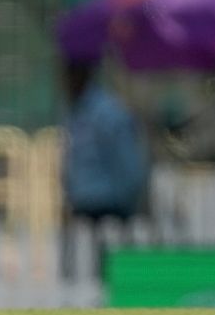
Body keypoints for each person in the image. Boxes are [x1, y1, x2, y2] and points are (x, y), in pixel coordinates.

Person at [60, 58, 149, 221]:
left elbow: (130, 167)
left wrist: (126, 205)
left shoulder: (109, 113)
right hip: (83, 210)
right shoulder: (74, 113)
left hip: (111, 211)